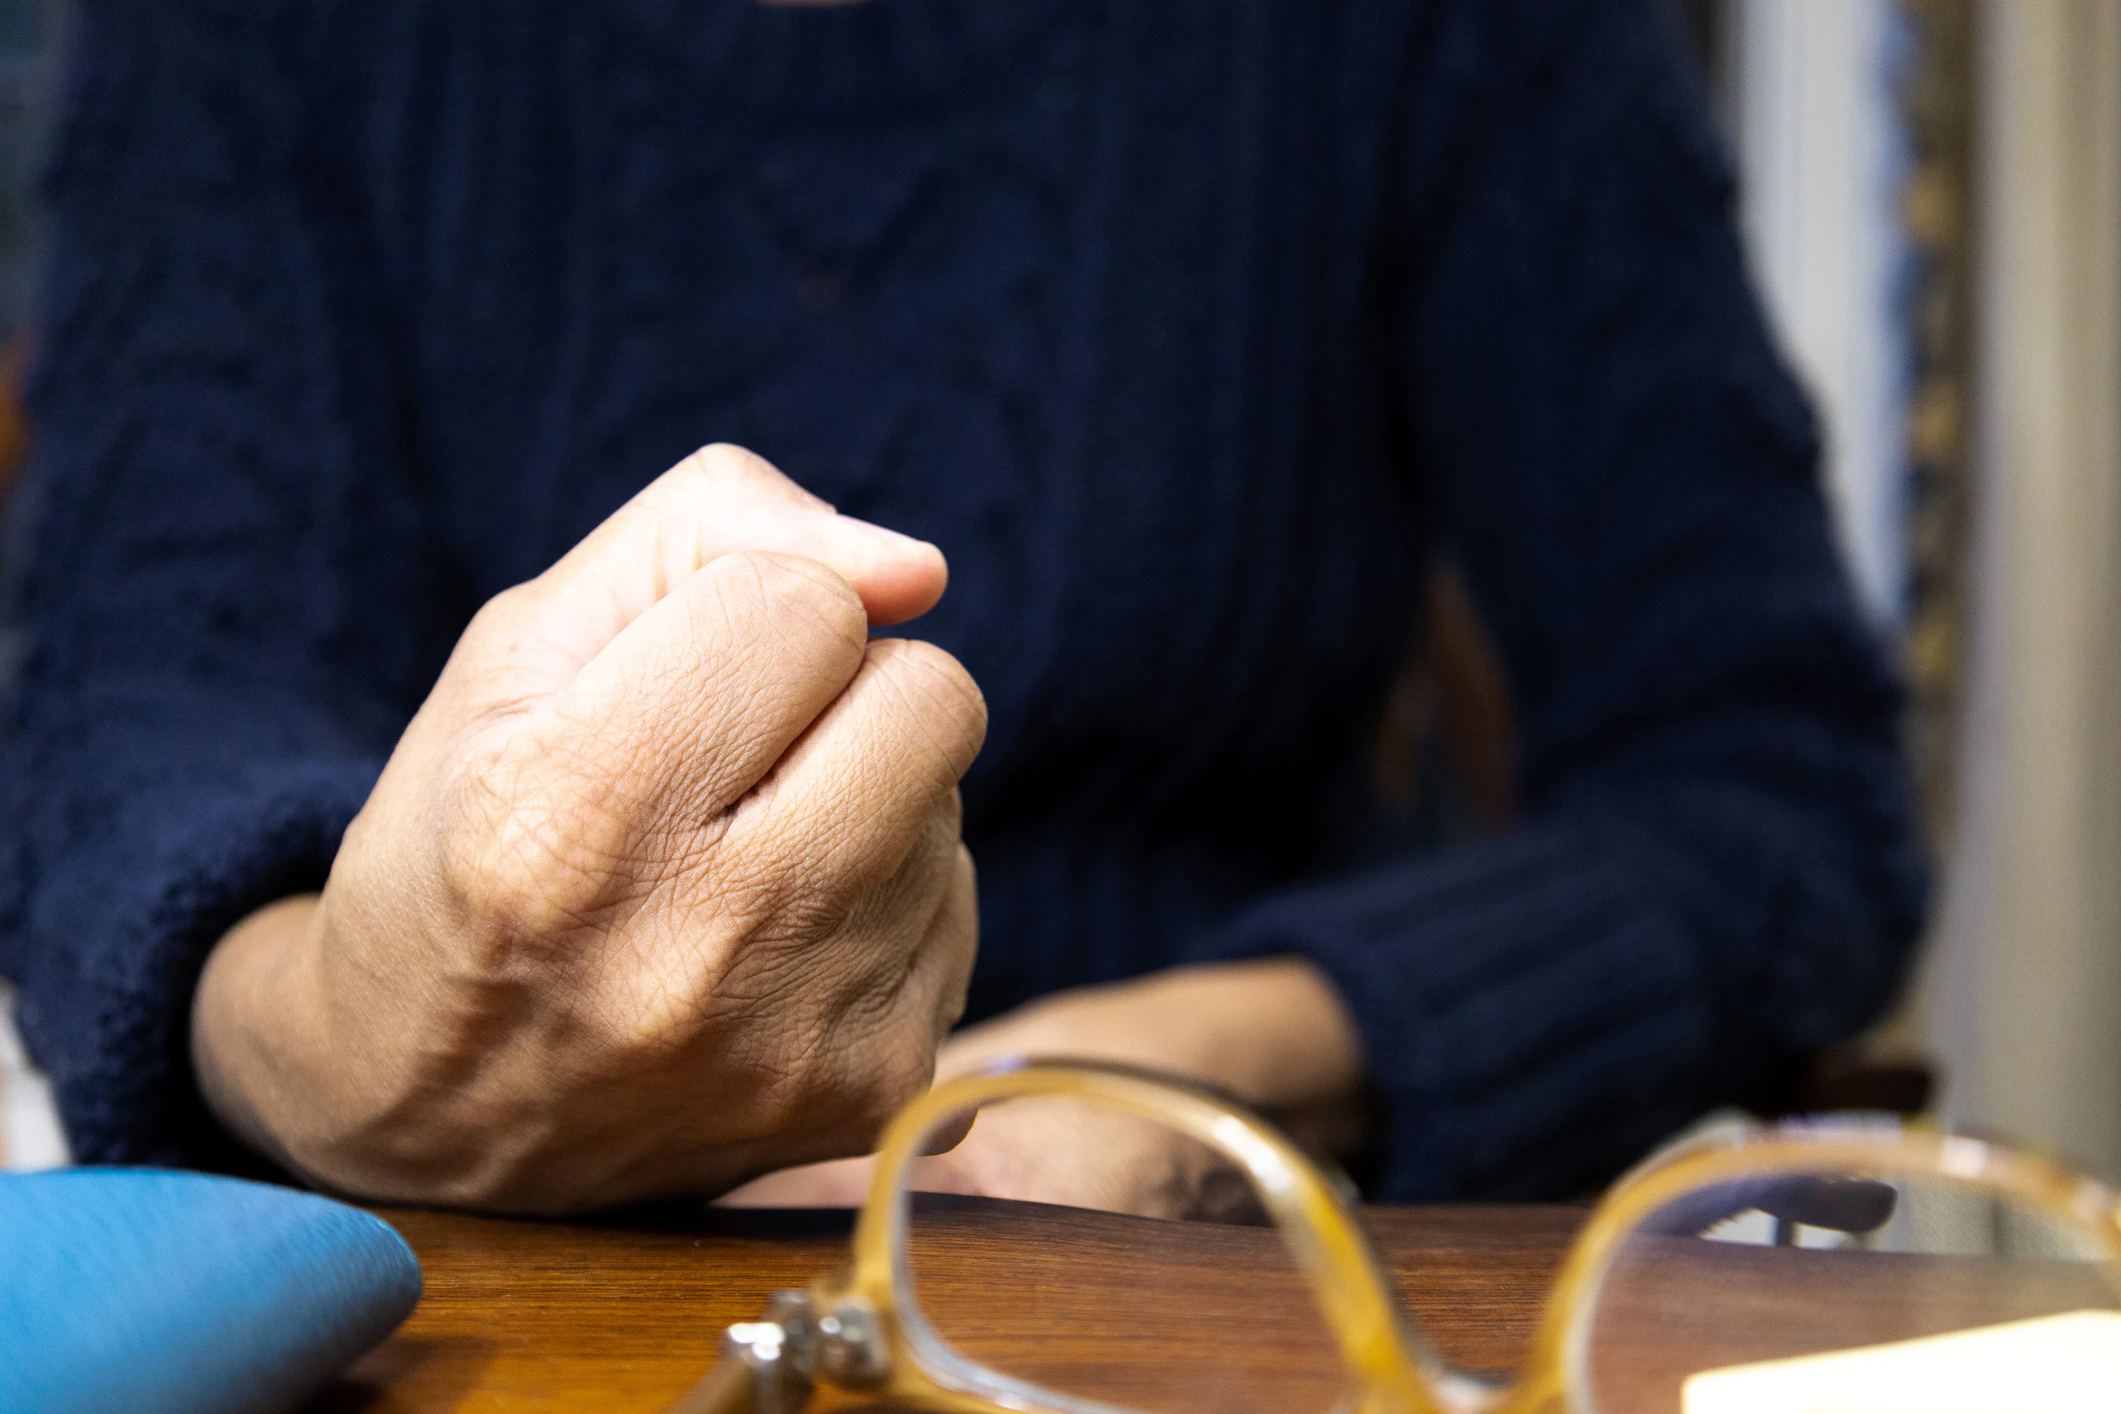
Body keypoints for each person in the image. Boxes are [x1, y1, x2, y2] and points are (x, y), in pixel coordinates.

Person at [0, 0, 1926, 1214]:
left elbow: (1771, 786)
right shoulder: (247, 38)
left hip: (1197, 1284)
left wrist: (1202, 1067)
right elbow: (132, 726)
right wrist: (365, 1045)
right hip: (463, 1284)